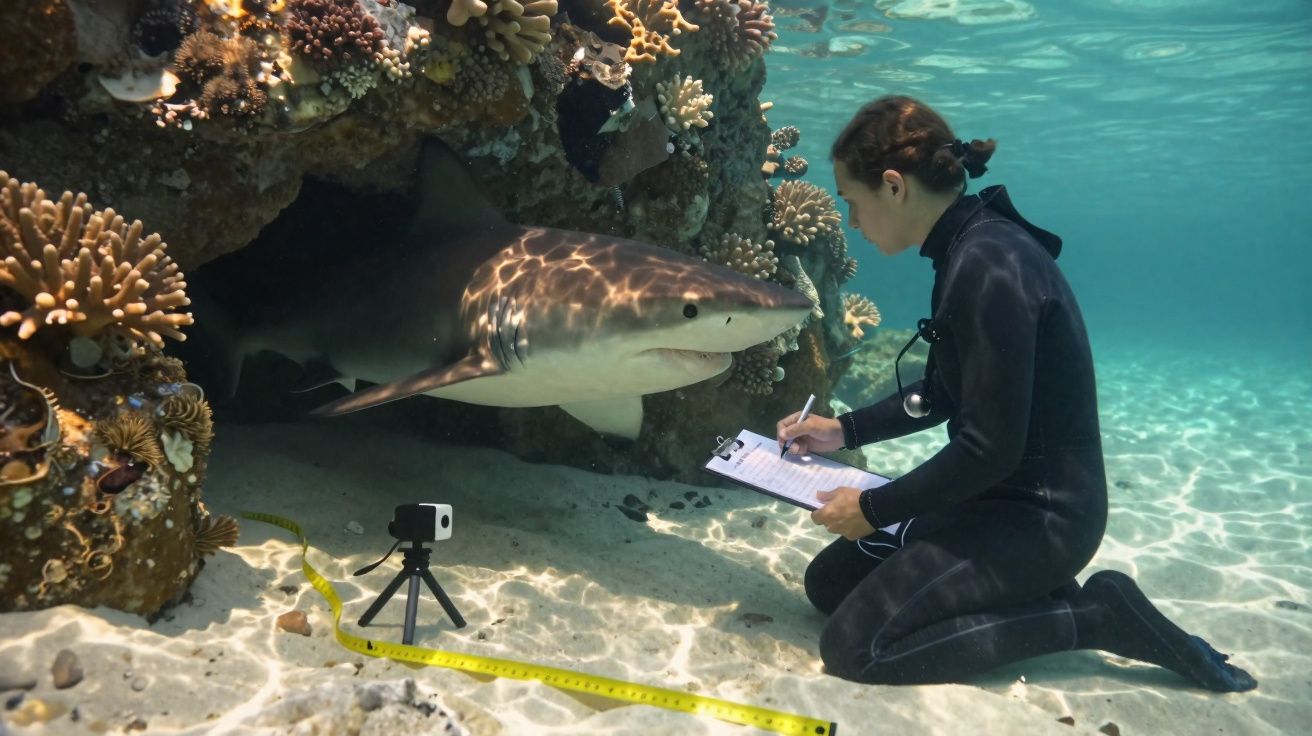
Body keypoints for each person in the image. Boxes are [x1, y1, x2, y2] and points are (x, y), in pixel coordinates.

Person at [774, 95, 1256, 691]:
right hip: (992, 501)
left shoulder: (986, 262)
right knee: (831, 585)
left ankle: (1095, 615)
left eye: (852, 203)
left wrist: (872, 508)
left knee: (856, 648)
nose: (852, 222)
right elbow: (946, 391)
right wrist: (843, 431)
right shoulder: (967, 247)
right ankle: (1037, 591)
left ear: (893, 187)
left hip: (1045, 518)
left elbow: (988, 449)